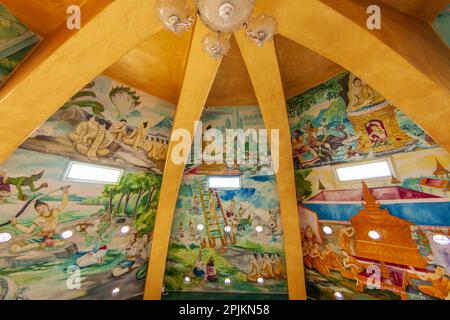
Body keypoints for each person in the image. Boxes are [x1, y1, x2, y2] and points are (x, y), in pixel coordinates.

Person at [10, 186, 70, 253]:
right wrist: (16, 224)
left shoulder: (54, 211)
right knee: (14, 248)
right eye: (39, 210)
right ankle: (41, 245)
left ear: (47, 206)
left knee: (62, 242)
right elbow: (29, 230)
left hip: (52, 235)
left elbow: (64, 204)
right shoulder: (39, 218)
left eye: (43, 208)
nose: (41, 210)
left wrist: (65, 192)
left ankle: (42, 245)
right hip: (41, 236)